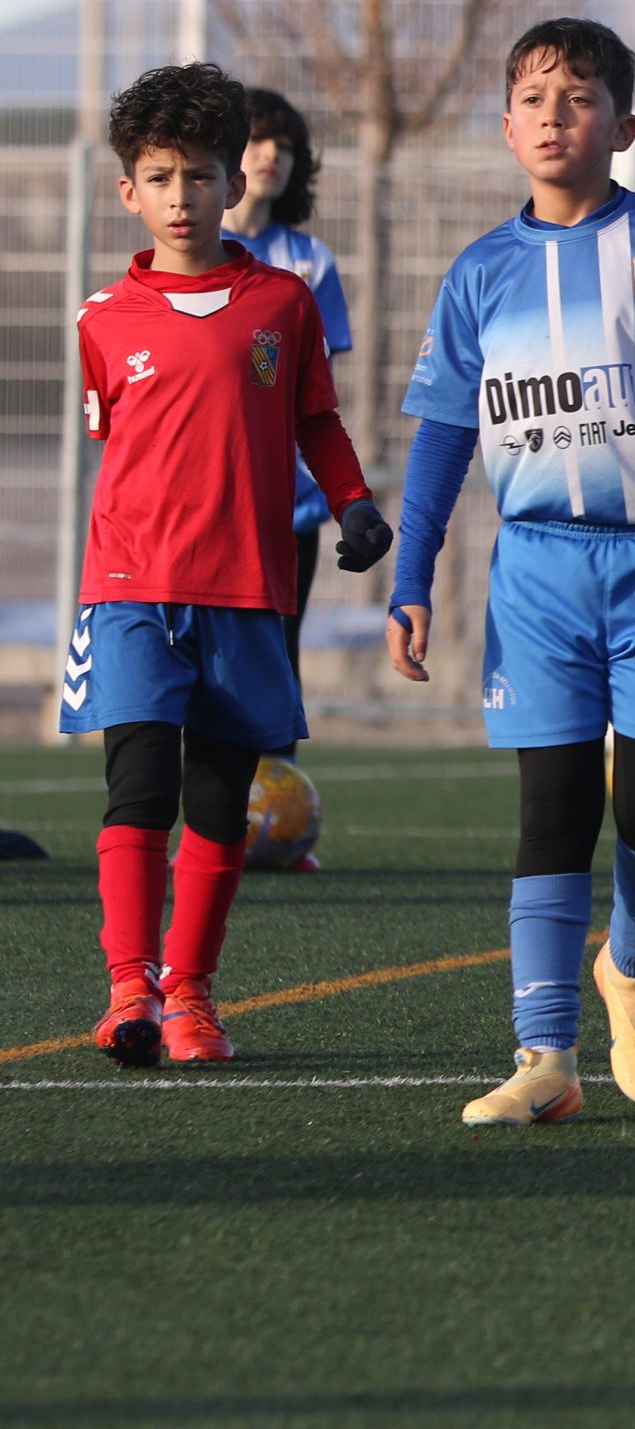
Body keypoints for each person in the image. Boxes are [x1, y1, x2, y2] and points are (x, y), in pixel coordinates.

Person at [387, 16, 635, 1128]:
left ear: (624, 125)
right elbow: (442, 436)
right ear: (507, 126)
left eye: (580, 97)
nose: (555, 116)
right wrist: (412, 576)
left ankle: (633, 968)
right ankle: (544, 1057)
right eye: (534, 98)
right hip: (538, 573)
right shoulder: (480, 272)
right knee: (551, 809)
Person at [65, 61, 391, 1067]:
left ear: (234, 184)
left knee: (218, 803)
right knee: (139, 786)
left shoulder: (282, 303)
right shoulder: (100, 319)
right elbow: (120, 444)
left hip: (246, 588)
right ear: (129, 190)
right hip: (131, 586)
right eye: (161, 178)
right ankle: (130, 991)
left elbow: (315, 419)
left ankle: (192, 996)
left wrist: (353, 501)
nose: (182, 197)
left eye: (200, 176)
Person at [223, 86, 355, 869]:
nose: (273, 155)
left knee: (280, 650)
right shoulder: (192, 250)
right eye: (259, 140)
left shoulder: (309, 262)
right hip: (208, 501)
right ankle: (203, 821)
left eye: (286, 145)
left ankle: (278, 821)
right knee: (203, 662)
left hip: (288, 506)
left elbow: (315, 388)